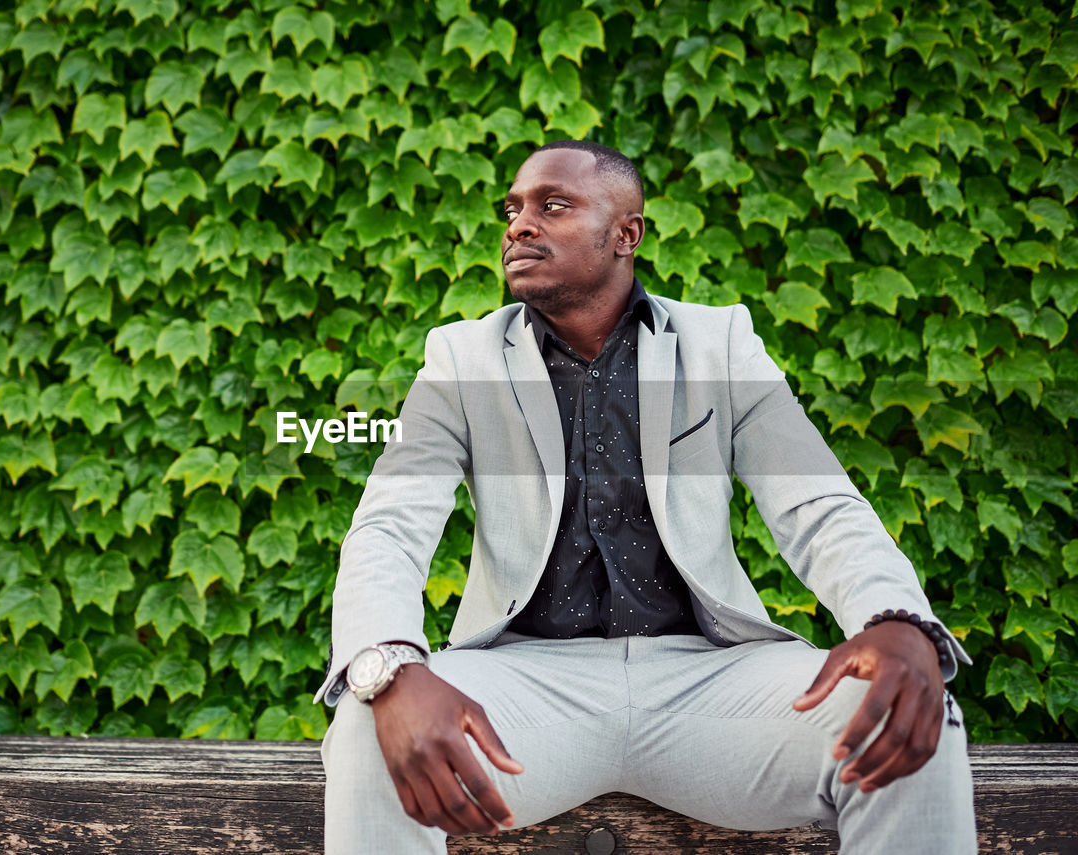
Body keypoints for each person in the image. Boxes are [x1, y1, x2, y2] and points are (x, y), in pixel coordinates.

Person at [315, 140, 977, 854]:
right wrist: (390, 663)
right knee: (366, 724)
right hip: (525, 685)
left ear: (627, 233)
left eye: (552, 205)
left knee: (913, 711)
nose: (518, 224)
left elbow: (818, 505)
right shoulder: (461, 358)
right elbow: (390, 524)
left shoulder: (720, 342)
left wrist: (898, 619)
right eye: (512, 209)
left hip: (710, 681)